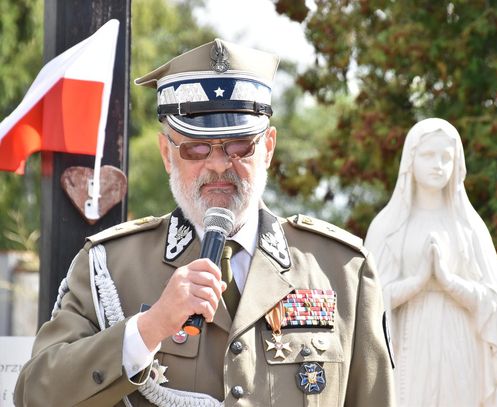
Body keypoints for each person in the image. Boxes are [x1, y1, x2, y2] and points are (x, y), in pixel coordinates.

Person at [15, 38, 395, 407]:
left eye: (239, 146)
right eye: (195, 148)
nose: (217, 164)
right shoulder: (110, 268)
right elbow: (35, 395)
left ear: (268, 148)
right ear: (167, 154)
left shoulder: (342, 269)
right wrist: (150, 327)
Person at [365, 118, 497, 407]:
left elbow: (496, 303)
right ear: (411, 160)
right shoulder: (388, 227)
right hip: (410, 341)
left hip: (460, 343)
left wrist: (449, 282)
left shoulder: (469, 227)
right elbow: (370, 300)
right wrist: (417, 282)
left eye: (447, 157)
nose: (438, 165)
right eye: (428, 155)